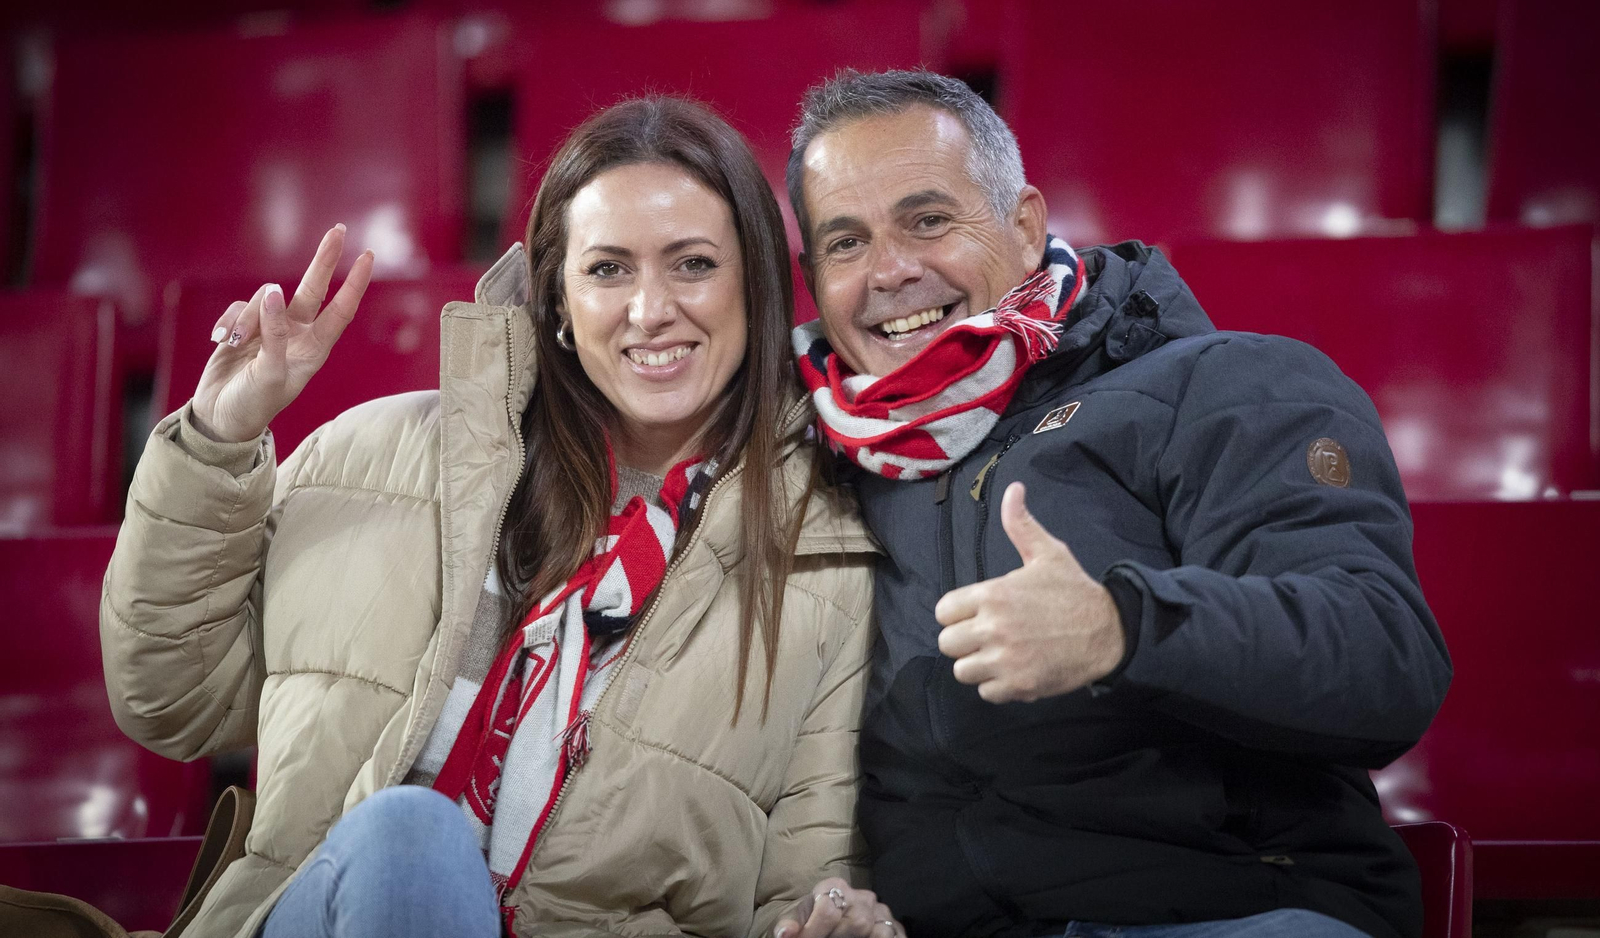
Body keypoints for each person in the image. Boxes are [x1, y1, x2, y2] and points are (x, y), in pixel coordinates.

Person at [100, 98, 904, 938]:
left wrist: (826, 922)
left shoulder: (828, 559)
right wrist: (218, 437)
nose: (650, 309)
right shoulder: (367, 456)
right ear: (557, 300)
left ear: (756, 287)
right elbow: (172, 701)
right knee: (411, 839)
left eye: (693, 264)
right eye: (608, 270)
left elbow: (801, 885)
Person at [785, 70, 1453, 938]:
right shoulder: (808, 461)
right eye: (846, 242)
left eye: (929, 221)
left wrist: (1123, 630)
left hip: (1234, 910)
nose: (891, 270)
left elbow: (1385, 659)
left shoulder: (1226, 383)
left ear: (1025, 224)